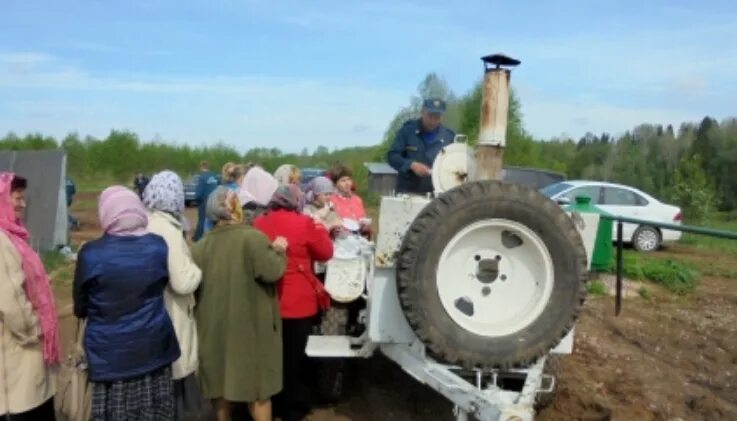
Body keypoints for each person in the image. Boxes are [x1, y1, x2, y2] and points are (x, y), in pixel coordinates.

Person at [74, 186, 180, 421]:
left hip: (109, 355)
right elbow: (162, 284)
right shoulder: (157, 245)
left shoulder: (91, 253)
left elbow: (80, 307)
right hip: (153, 348)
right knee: (154, 411)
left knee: (116, 413)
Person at [192, 187, 288, 421]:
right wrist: (280, 250)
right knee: (258, 389)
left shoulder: (200, 246)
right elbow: (271, 271)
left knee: (219, 386)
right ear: (236, 209)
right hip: (251, 329)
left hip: (213, 329)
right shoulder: (253, 238)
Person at [253, 185, 334, 421]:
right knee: (294, 359)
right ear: (296, 201)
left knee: (270, 357)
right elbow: (325, 252)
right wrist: (320, 227)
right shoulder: (305, 223)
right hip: (298, 304)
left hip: (268, 301)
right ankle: (291, 408)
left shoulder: (259, 223)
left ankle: (270, 404)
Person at [142, 171, 205, 420]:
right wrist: (197, 270)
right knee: (178, 380)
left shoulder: (145, 222)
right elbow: (182, 281)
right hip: (173, 312)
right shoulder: (168, 230)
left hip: (153, 312)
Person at [0, 172, 60, 420]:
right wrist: (38, 327)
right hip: (18, 351)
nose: (23, 203)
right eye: (17, 197)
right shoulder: (1, 242)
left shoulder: (13, 236)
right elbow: (11, 303)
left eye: (23, 198)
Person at [387, 98, 456, 194]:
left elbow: (454, 166)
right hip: (407, 193)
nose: (433, 121)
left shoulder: (449, 137)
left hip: (435, 195)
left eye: (437, 117)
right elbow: (392, 157)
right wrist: (411, 165)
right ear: (422, 112)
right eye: (430, 116)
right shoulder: (407, 131)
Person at [329, 165, 371, 234]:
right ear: (335, 184)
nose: (347, 183)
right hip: (340, 240)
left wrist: (365, 227)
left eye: (349, 179)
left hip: (358, 238)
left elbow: (363, 219)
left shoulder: (357, 200)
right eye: (343, 181)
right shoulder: (331, 201)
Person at [194, 161, 220, 241]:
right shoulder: (215, 177)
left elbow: (199, 193)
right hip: (215, 200)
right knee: (213, 219)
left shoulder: (202, 177)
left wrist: (196, 199)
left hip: (204, 201)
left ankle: (198, 238)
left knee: (202, 219)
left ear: (201, 167)